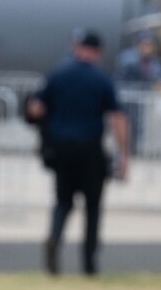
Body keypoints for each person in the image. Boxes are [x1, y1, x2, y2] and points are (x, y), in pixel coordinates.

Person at [25, 29, 130, 276]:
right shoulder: (101, 79)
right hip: (90, 149)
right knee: (93, 206)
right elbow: (118, 118)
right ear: (97, 52)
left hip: (61, 149)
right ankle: (89, 262)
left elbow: (36, 108)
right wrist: (124, 154)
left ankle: (54, 239)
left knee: (63, 202)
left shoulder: (58, 74)